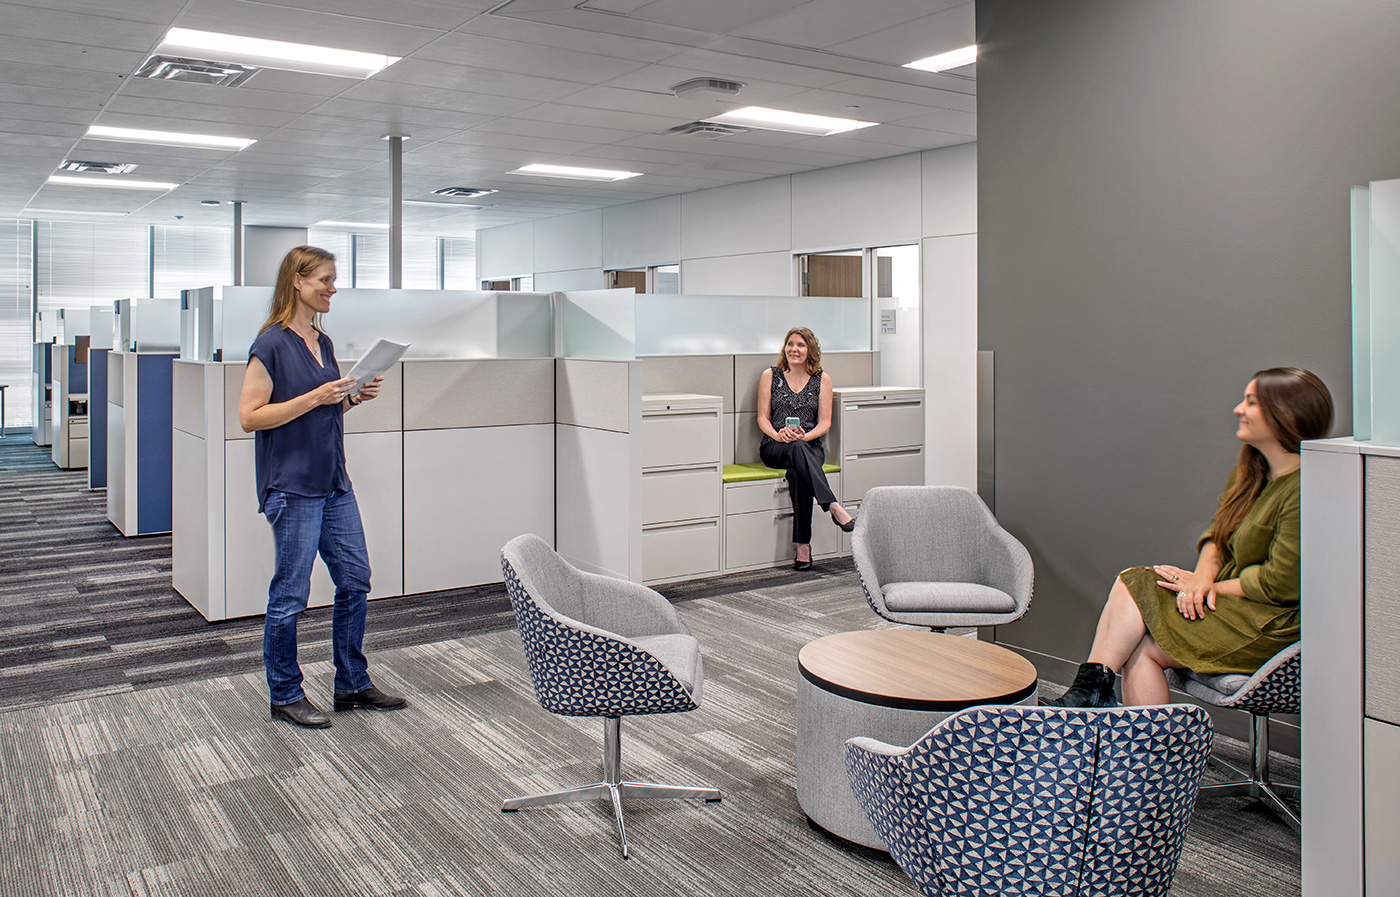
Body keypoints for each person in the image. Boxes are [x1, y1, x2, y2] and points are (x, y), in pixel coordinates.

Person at [1051, 367, 1333, 707]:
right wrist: (1200, 578)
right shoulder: (1253, 467)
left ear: (1286, 414)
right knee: (1140, 614)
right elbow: (1217, 534)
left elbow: (1278, 584)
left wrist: (1206, 587)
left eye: (1251, 402)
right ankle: (1129, 736)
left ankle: (1091, 697)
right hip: (1234, 607)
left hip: (1271, 626)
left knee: (1136, 588)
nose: (1238, 410)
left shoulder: (1304, 489)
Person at [238, 245, 406, 728]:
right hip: (293, 485)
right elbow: (250, 417)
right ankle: (285, 693)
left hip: (333, 480)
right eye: (325, 281)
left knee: (355, 580)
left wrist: (351, 398)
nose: (333, 289)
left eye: (334, 281)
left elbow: (323, 411)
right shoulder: (270, 343)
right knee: (290, 593)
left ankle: (351, 682)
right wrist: (315, 396)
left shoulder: (323, 341)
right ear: (297, 280)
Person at [757, 327, 857, 570]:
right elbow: (762, 418)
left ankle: (803, 548)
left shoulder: (822, 379)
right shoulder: (771, 375)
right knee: (796, 452)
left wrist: (805, 435)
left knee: (798, 472)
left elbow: (825, 423)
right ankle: (832, 505)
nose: (794, 349)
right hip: (775, 448)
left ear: (810, 350)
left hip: (810, 447)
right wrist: (778, 436)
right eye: (790, 344)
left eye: (801, 345)